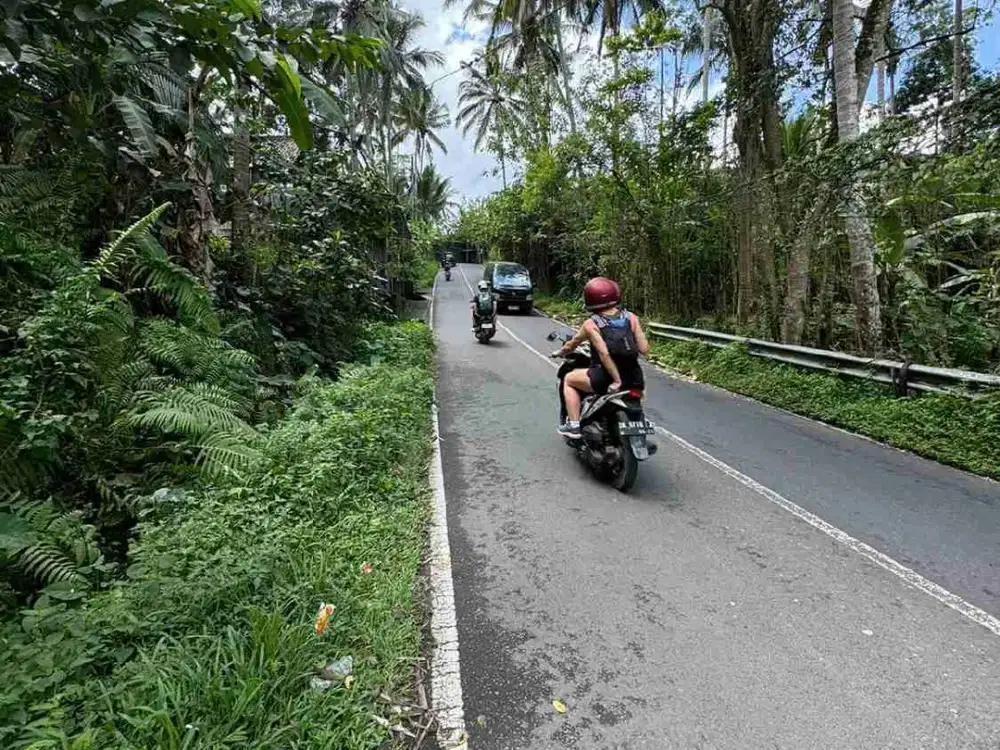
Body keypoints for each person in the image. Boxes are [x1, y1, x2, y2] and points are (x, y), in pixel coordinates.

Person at [551, 277, 649, 439]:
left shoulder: (591, 324)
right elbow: (644, 349)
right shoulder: (631, 317)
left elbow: (594, 351)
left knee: (568, 379)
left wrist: (560, 352)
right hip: (634, 377)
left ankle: (574, 425)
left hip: (605, 379)